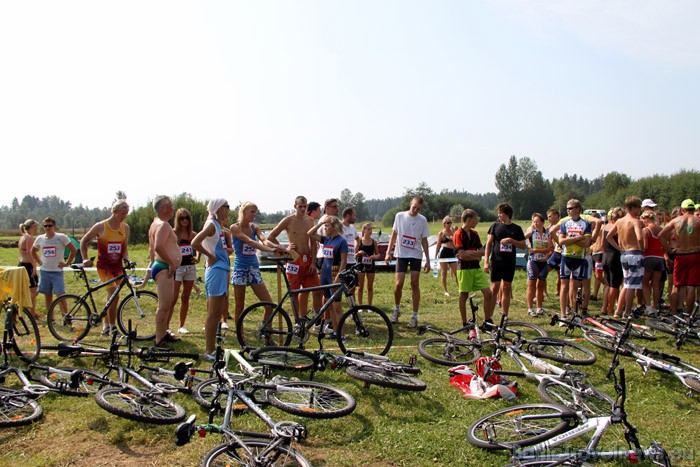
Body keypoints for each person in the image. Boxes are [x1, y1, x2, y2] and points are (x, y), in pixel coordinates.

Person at [229, 202, 287, 329]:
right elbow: (249, 241)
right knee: (240, 305)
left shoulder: (255, 227)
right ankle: (241, 335)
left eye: (256, 212)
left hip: (253, 269)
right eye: (252, 212)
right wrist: (270, 250)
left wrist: (275, 246)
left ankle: (266, 331)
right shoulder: (235, 227)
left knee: (269, 304)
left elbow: (264, 240)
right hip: (240, 269)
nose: (254, 215)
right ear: (243, 212)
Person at [80, 199, 131, 336]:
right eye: (122, 213)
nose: (124, 216)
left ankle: (106, 326)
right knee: (114, 293)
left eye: (126, 214)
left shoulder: (125, 228)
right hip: (104, 266)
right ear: (114, 212)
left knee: (113, 296)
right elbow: (84, 240)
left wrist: (127, 260)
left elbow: (124, 248)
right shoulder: (100, 226)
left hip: (117, 266)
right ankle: (113, 328)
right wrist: (85, 258)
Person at [267, 196, 322, 320]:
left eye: (305, 206)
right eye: (300, 206)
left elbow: (313, 242)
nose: (303, 209)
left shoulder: (310, 220)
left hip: (307, 259)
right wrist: (284, 248)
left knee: (316, 289)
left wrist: (313, 262)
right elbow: (271, 237)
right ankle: (298, 320)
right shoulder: (288, 220)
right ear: (295, 206)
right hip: (294, 259)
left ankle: (315, 319)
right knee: (294, 292)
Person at [192, 199, 231, 360]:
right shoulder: (210, 224)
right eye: (226, 207)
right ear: (219, 208)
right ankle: (208, 351)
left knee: (218, 311)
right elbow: (195, 242)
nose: (229, 209)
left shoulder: (217, 225)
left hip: (221, 269)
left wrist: (225, 251)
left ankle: (213, 348)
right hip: (215, 270)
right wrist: (210, 256)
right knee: (213, 313)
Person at [385, 196, 431, 328]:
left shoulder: (422, 220)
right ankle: (397, 309)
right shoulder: (399, 216)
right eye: (414, 207)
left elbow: (424, 240)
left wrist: (427, 259)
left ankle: (414, 315)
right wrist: (388, 252)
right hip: (401, 254)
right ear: (410, 204)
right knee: (399, 284)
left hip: (415, 254)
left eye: (419, 209)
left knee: (414, 283)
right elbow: (394, 235)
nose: (416, 210)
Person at [147, 196, 183, 347]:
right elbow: (158, 247)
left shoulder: (155, 224)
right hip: (164, 267)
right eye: (170, 206)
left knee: (167, 304)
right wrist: (171, 263)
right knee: (164, 305)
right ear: (163, 208)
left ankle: (164, 332)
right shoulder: (163, 225)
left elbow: (152, 248)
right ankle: (159, 338)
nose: (173, 208)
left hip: (161, 266)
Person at [308, 215, 348, 341]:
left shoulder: (341, 241)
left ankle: (342, 335)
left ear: (335, 227)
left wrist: (338, 276)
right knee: (329, 306)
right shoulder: (326, 240)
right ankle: (335, 332)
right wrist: (321, 223)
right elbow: (310, 233)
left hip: (334, 273)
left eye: (327, 226)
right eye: (324, 226)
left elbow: (344, 261)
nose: (325, 228)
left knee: (337, 307)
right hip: (324, 273)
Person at [484, 203, 526, 318]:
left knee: (506, 288)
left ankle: (505, 316)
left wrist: (511, 240)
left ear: (507, 214)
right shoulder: (495, 226)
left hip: (509, 263)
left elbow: (523, 245)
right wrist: (486, 261)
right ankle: (489, 316)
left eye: (500, 213)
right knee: (494, 288)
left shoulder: (517, 228)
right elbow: (488, 244)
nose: (498, 215)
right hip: (496, 261)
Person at [606, 197, 645, 318]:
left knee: (626, 284)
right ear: (633, 208)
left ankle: (618, 310)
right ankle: (627, 312)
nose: (640, 211)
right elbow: (639, 237)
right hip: (634, 253)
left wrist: (619, 248)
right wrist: (642, 247)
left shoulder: (619, 221)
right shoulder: (635, 221)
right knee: (632, 285)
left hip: (624, 254)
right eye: (639, 208)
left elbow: (609, 236)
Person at [659, 199, 700, 314]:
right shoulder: (698, 220)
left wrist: (669, 250)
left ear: (682, 210)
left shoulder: (676, 221)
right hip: (695, 254)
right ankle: (688, 315)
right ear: (694, 209)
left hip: (680, 254)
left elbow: (660, 235)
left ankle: (673, 311)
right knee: (691, 286)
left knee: (676, 285)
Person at [453, 209, 492, 326]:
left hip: (476, 268)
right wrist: (474, 255)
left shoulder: (475, 234)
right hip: (464, 269)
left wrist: (469, 254)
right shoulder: (458, 234)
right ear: (469, 220)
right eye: (475, 219)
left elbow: (482, 252)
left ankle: (487, 320)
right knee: (464, 295)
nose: (477, 222)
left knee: (488, 293)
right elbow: (461, 255)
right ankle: (464, 322)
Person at [556, 200, 592, 322]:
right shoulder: (565, 223)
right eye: (567, 208)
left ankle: (574, 313)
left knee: (575, 288)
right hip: (566, 257)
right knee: (564, 287)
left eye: (570, 208)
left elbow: (586, 243)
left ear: (578, 209)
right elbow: (561, 241)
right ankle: (563, 315)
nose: (568, 211)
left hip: (579, 258)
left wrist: (569, 239)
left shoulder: (586, 224)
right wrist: (578, 238)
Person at [32, 217, 76, 313]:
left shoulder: (61, 237)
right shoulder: (40, 238)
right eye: (45, 226)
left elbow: (73, 250)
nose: (47, 228)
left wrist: (67, 263)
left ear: (54, 226)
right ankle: (50, 318)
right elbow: (33, 251)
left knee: (61, 295)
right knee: (48, 296)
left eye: (50, 225)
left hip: (57, 272)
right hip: (44, 271)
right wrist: (39, 261)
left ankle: (66, 317)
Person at [169, 208, 199, 334]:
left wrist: (197, 257)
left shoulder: (192, 234)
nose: (185, 220)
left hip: (190, 267)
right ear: (177, 219)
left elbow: (199, 245)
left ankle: (181, 325)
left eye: (187, 217)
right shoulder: (173, 233)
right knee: (173, 298)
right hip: (178, 268)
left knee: (185, 297)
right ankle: (166, 326)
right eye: (182, 218)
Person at [524, 213, 551, 317]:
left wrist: (535, 250)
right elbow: (521, 239)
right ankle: (530, 308)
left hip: (543, 262)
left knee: (540, 286)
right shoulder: (532, 232)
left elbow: (549, 249)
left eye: (537, 221)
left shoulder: (547, 234)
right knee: (531, 285)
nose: (535, 223)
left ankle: (539, 308)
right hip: (533, 261)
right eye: (534, 221)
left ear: (542, 222)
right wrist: (528, 248)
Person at [641, 210, 664, 314]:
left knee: (645, 283)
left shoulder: (646, 230)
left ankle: (648, 306)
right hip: (659, 258)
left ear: (646, 218)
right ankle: (655, 306)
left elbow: (645, 247)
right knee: (656, 284)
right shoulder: (660, 229)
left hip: (648, 258)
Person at [601, 208, 624, 315]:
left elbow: (602, 244)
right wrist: (620, 248)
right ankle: (610, 309)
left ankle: (604, 307)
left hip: (605, 255)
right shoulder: (618, 227)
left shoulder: (605, 226)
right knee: (614, 285)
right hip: (615, 256)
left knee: (607, 284)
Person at [17, 219, 40, 318]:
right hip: (28, 265)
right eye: (35, 227)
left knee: (29, 290)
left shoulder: (22, 237)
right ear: (31, 227)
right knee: (35, 290)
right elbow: (30, 253)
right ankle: (21, 307)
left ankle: (32, 312)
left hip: (22, 264)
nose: (37, 229)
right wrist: (34, 267)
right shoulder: (30, 238)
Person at [355, 223, 381, 306]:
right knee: (360, 287)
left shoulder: (374, 242)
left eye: (371, 229)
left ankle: (369, 305)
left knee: (370, 287)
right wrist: (358, 253)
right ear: (363, 230)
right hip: (360, 265)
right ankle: (360, 305)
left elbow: (378, 255)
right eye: (368, 229)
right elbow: (354, 254)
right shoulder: (359, 241)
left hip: (370, 266)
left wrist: (374, 257)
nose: (370, 231)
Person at [435, 216, 458, 296]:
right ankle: (446, 291)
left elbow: (456, 244)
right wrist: (435, 255)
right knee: (444, 272)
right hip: (443, 252)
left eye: (450, 222)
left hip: (452, 252)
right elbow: (438, 245)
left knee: (456, 272)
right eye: (447, 223)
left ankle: (460, 288)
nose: (449, 224)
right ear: (444, 224)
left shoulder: (454, 232)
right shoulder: (441, 233)